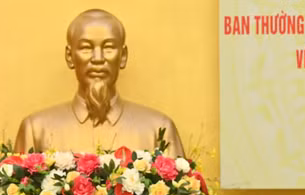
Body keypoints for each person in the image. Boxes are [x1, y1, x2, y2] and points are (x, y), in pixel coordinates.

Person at [14, 9, 184, 157]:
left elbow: (183, 193)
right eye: (86, 48)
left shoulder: (158, 130)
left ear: (123, 56)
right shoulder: (35, 130)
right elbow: (18, 191)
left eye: (108, 47)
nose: (98, 59)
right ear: (69, 56)